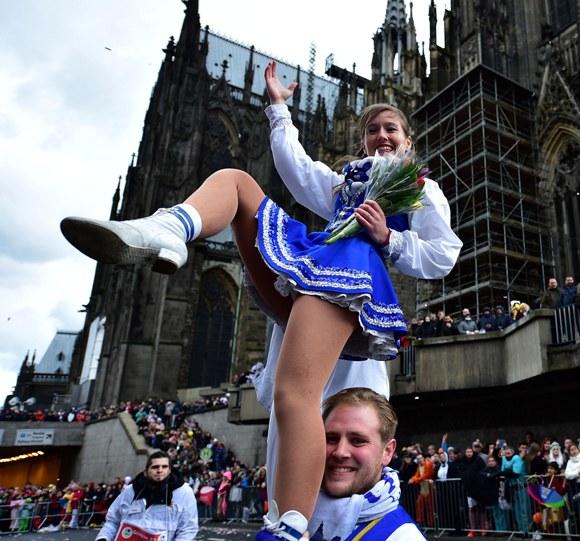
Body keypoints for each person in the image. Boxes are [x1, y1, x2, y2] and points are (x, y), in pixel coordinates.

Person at [64, 61, 461, 541]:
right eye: (372, 128)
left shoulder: (420, 188)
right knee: (235, 182)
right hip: (312, 269)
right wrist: (278, 109)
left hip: (349, 278)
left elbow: (443, 256)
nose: (380, 134)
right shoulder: (345, 182)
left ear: (408, 140)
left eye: (390, 128)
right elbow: (295, 171)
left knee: (295, 395)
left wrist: (388, 240)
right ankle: (168, 229)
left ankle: (290, 524)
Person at [301, 387, 425, 540]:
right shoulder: (293, 516)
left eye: (357, 441)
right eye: (331, 438)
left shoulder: (403, 537)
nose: (340, 452)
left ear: (387, 452)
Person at [95, 451, 199, 541]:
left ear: (169, 470)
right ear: (145, 472)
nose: (160, 470)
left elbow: (188, 530)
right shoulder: (130, 491)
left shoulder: (184, 492)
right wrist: (103, 538)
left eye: (164, 467)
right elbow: (113, 520)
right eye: (155, 467)